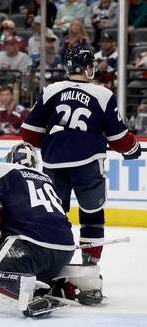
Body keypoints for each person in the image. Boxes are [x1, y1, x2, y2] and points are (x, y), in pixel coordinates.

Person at [20, 47, 142, 265]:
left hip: (53, 163)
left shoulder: (51, 90)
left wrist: (52, 142)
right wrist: (132, 149)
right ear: (86, 67)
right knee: (92, 216)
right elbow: (118, 137)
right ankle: (89, 268)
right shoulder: (103, 94)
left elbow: (28, 133)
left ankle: (54, 264)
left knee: (55, 216)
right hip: (88, 163)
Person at [0, 142, 76, 317]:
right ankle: (61, 286)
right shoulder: (46, 178)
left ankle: (27, 295)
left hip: (29, 247)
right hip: (65, 250)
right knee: (30, 265)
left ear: (10, 157)